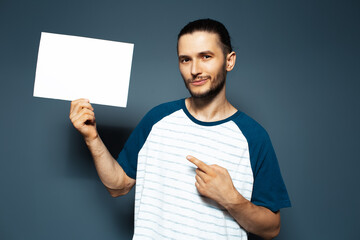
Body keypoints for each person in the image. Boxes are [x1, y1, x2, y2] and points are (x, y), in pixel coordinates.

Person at [69, 19, 291, 240]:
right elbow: (118, 186)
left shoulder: (254, 137)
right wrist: (92, 137)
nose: (195, 70)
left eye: (206, 57)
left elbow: (271, 228)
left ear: (229, 61)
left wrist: (230, 198)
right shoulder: (157, 119)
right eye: (186, 60)